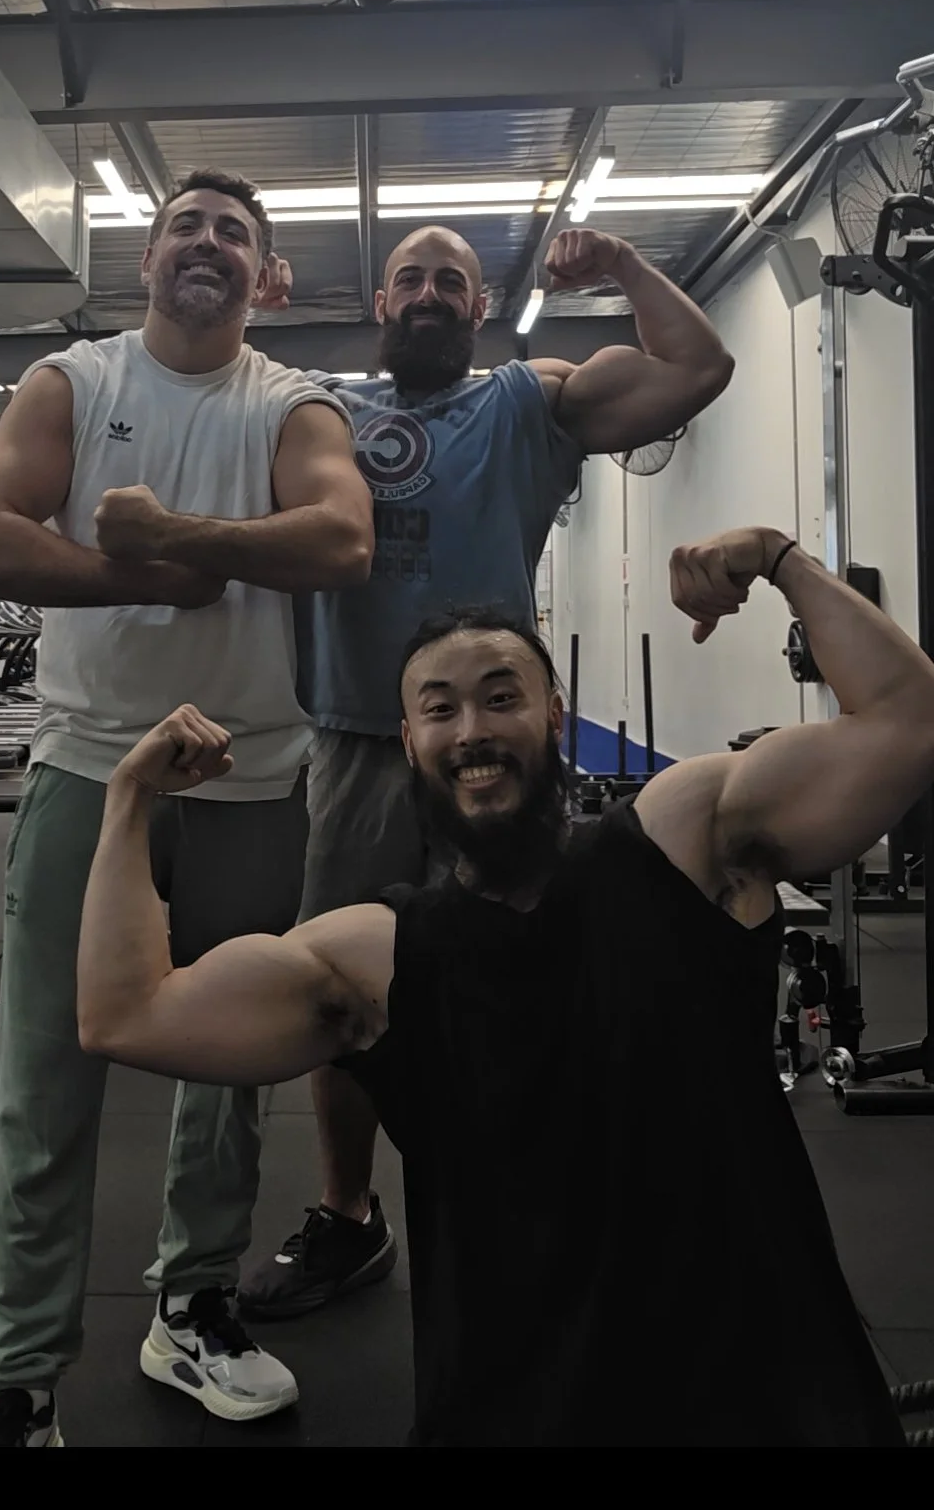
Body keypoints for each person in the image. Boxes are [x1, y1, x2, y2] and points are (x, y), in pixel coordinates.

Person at [77, 525, 932, 1447]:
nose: (473, 730)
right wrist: (128, 798)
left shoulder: (685, 845)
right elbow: (127, 1017)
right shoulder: (378, 960)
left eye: (501, 699)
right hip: (515, 1406)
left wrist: (780, 559)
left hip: (770, 1398)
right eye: (439, 710)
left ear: (554, 717)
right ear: (408, 742)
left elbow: (903, 722)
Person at [0, 168, 373, 1449]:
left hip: (253, 782)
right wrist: (133, 568)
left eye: (234, 234)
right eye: (186, 225)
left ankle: (192, 1310)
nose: (208, 244)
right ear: (147, 259)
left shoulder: (292, 403)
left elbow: (343, 539)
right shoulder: (73, 384)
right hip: (91, 773)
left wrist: (186, 536)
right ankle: (21, 1384)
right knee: (47, 1080)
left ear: (269, 278)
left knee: (230, 1074)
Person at [243, 218, 734, 1317]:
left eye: (450, 281)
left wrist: (620, 268)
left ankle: (545, 1201)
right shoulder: (319, 410)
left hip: (492, 750)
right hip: (360, 741)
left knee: (535, 971)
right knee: (339, 992)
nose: (427, 291)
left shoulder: (525, 401)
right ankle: (347, 1216)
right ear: (380, 304)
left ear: (477, 309)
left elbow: (697, 369)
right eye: (409, 277)